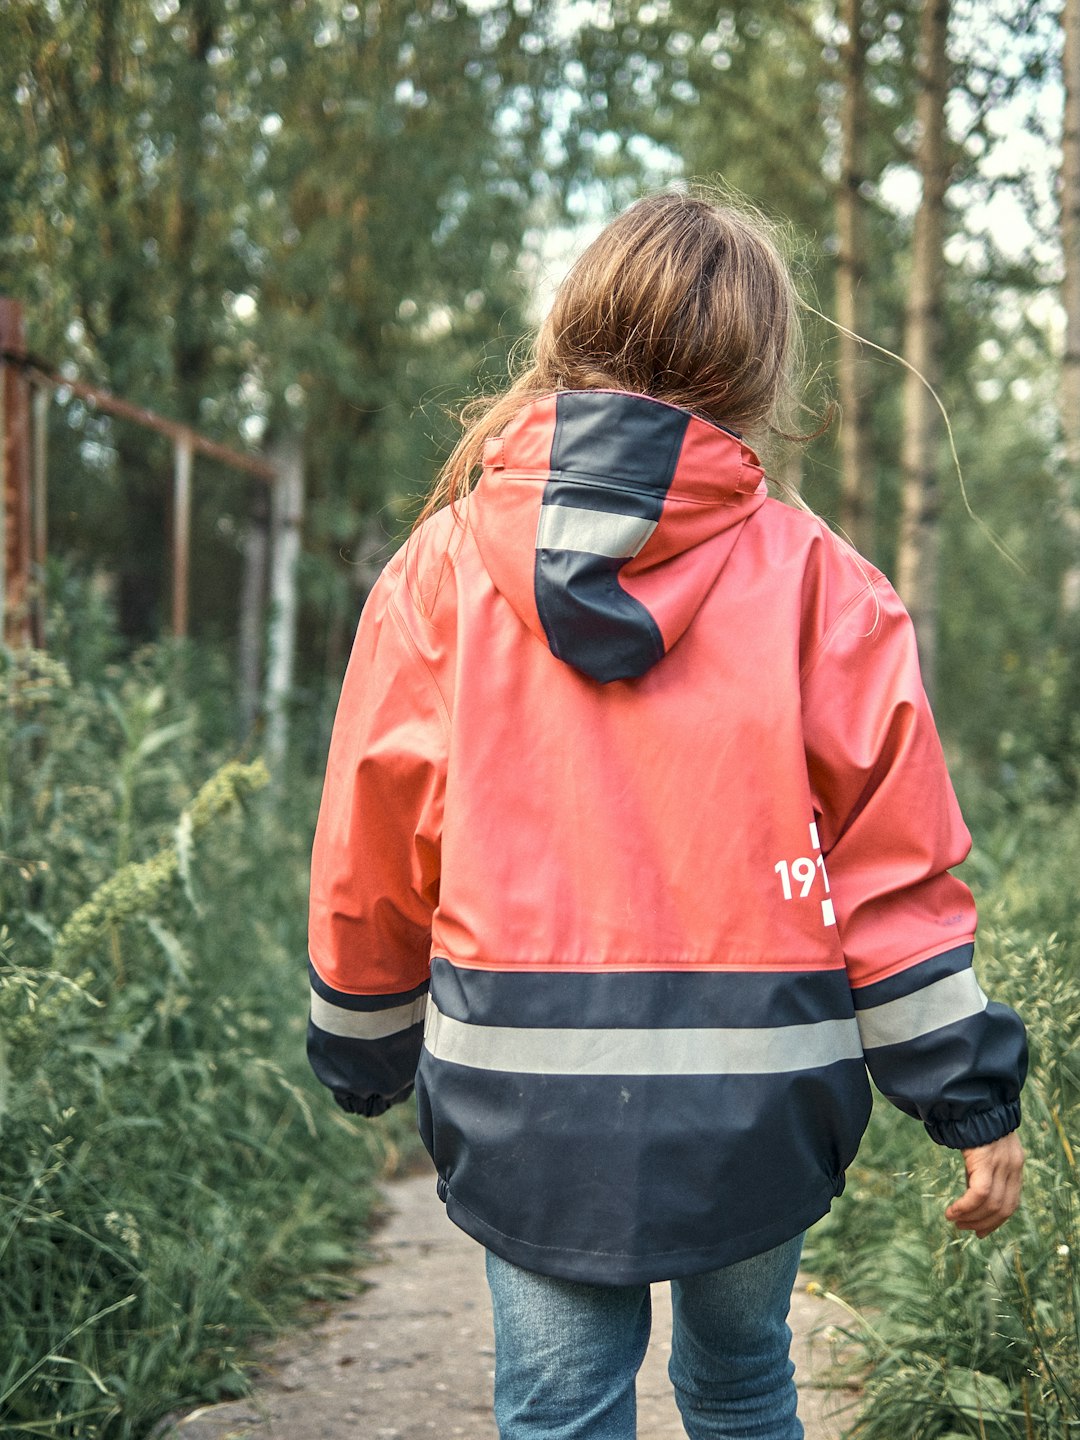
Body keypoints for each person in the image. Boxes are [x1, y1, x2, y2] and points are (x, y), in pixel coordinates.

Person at [305, 189, 1027, 1440]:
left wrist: (365, 1040)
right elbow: (889, 872)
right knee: (746, 1387)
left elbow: (376, 841)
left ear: (574, 330)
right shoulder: (821, 584)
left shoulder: (437, 575)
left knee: (560, 1410)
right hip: (760, 1103)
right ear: (759, 370)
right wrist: (966, 1091)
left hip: (528, 1109)